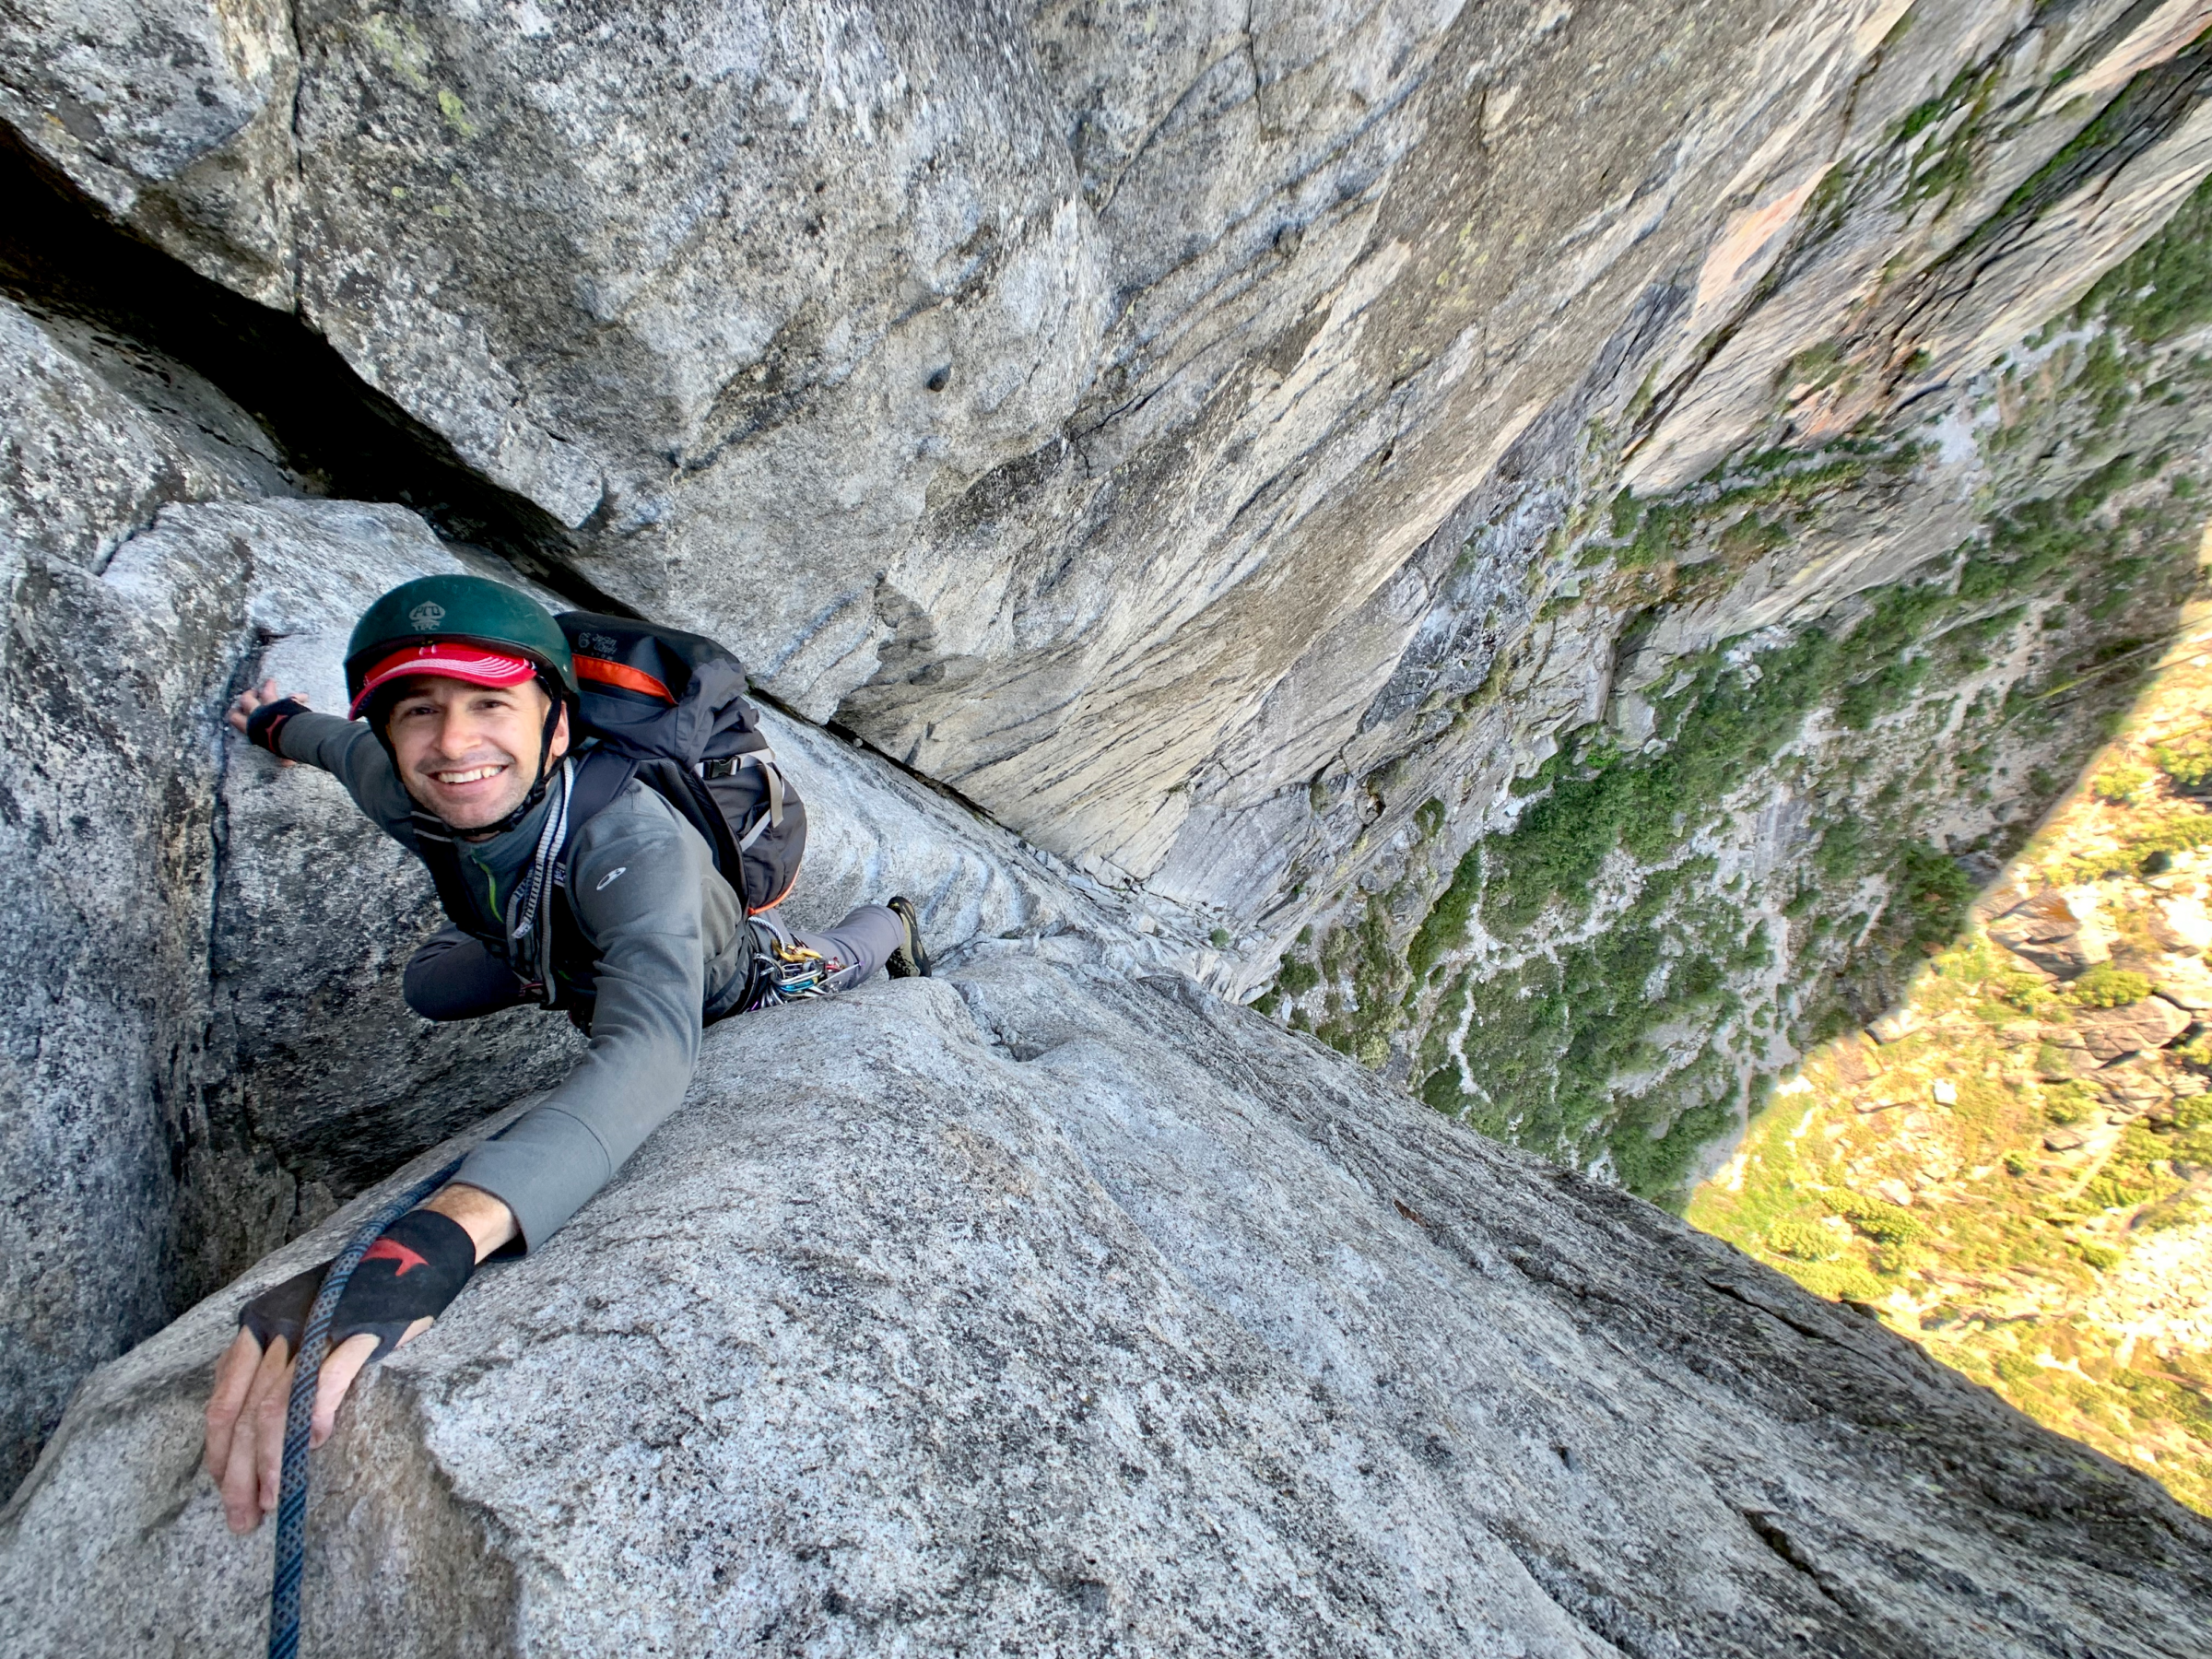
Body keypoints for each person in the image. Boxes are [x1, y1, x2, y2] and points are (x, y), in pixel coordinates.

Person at [200, 574, 926, 1535]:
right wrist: (273, 721)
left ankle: (896, 925)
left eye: (491, 704)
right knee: (430, 984)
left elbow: (654, 1051)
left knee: (822, 966)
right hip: (563, 943)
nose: (454, 744)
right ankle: (556, 956)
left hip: (712, 977)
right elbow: (335, 746)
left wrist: (441, 1234)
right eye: (420, 712)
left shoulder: (638, 847)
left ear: (556, 726)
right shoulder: (402, 777)